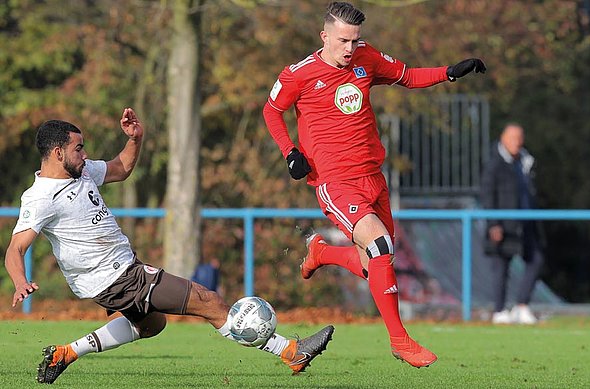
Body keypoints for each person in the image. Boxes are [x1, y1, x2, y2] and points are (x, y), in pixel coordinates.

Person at [4, 109, 334, 384]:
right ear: (58, 153)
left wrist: (135, 139)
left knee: (151, 324)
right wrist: (20, 281)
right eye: (79, 148)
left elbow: (121, 168)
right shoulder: (40, 197)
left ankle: (67, 352)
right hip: (117, 277)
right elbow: (15, 249)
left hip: (122, 270)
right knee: (209, 300)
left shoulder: (82, 171)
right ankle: (291, 351)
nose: (85, 153)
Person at [263, 1, 485, 368]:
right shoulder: (298, 74)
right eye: (342, 40)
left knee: (377, 262)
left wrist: (449, 72)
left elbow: (407, 76)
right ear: (325, 36)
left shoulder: (365, 58)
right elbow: (271, 110)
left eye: (355, 40)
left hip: (373, 178)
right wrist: (290, 151)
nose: (350, 49)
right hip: (336, 181)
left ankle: (323, 253)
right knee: (381, 246)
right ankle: (400, 341)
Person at [480, 123, 545, 325]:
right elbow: (487, 196)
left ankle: (521, 306)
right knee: (501, 267)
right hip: (504, 225)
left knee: (536, 260)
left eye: (519, 138)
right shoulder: (494, 165)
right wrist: (494, 224)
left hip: (526, 224)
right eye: (513, 138)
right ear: (503, 139)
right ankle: (499, 310)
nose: (517, 142)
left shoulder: (525, 162)